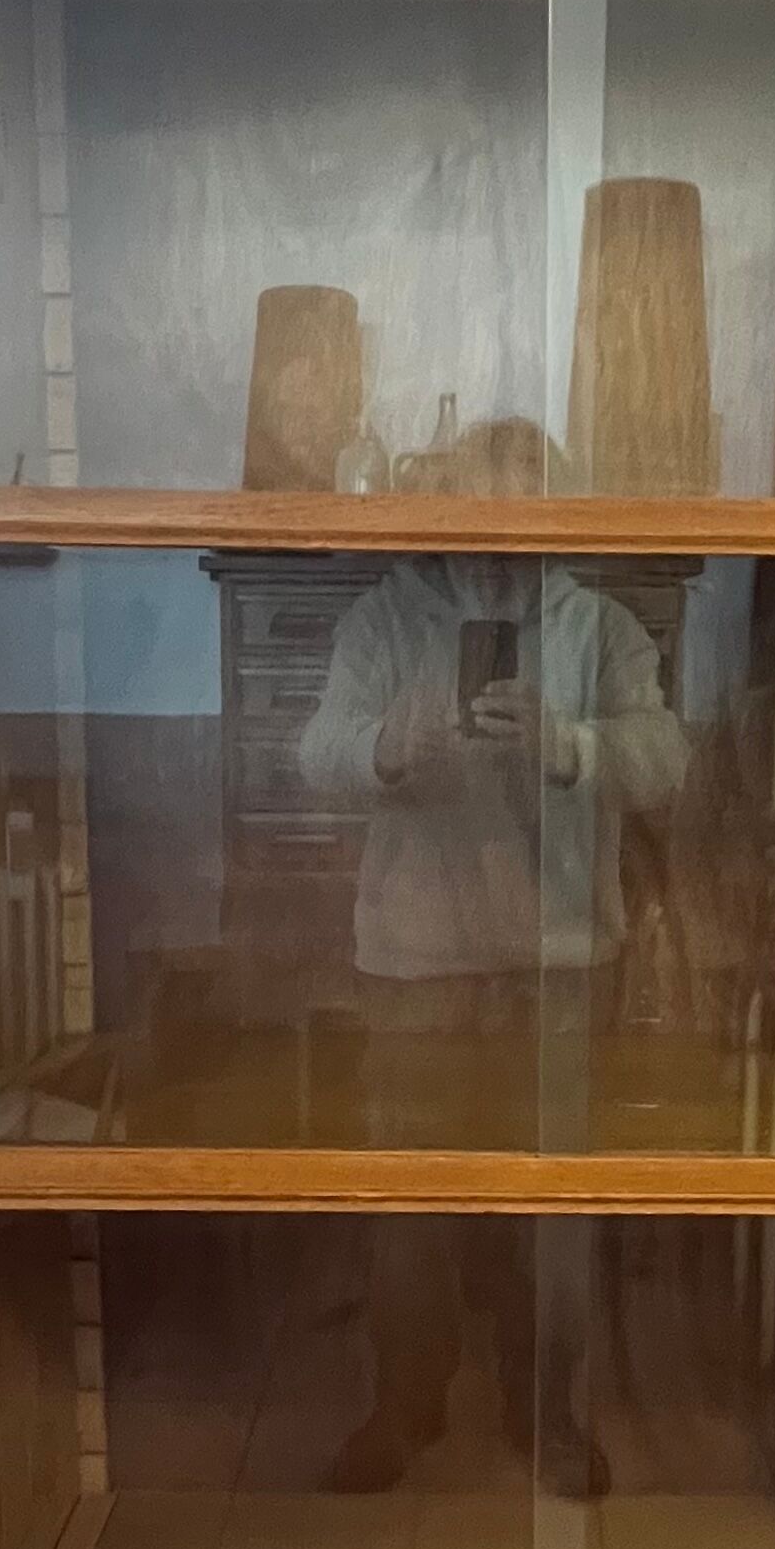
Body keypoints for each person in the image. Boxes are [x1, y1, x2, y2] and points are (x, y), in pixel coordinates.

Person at [297, 554, 686, 1490]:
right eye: (478, 505)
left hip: (558, 962)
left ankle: (546, 1412)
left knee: (552, 1213)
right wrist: (383, 747)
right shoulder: (383, 619)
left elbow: (667, 760)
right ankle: (404, 1407)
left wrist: (570, 745)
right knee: (408, 1206)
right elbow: (318, 753)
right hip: (416, 960)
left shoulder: (598, 625)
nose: (492, 538)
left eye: (520, 501)